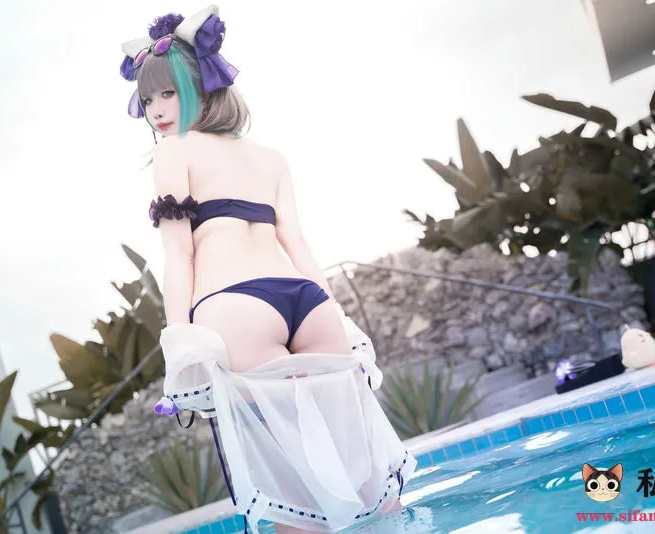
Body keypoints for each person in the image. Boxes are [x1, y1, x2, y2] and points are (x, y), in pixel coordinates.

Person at [120, 6, 415, 533]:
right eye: (148, 100)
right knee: (362, 467)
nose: (157, 110)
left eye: (167, 93)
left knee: (291, 483)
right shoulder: (271, 158)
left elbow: (179, 255)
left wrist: (181, 342)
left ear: (200, 85)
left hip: (235, 306)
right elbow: (296, 242)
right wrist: (338, 317)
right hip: (308, 301)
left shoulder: (173, 152)